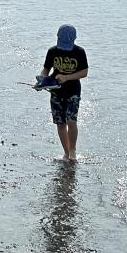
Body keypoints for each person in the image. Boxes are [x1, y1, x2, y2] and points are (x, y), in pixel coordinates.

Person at [38, 25, 89, 162]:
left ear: (74, 39)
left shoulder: (79, 52)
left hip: (73, 91)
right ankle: (66, 153)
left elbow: (84, 72)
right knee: (60, 124)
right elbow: (46, 69)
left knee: (71, 121)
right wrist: (42, 80)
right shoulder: (52, 51)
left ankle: (73, 151)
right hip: (55, 91)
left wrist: (66, 77)